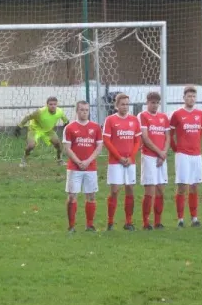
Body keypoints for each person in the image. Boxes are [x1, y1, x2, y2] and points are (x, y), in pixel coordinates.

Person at [102, 93, 142, 231]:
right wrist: (119, 157)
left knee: (130, 189)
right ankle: (110, 222)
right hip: (115, 161)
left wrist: (131, 156)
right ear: (116, 105)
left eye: (127, 104)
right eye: (122, 104)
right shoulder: (110, 120)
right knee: (114, 190)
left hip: (130, 161)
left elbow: (137, 141)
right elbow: (106, 140)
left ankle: (128, 222)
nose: (125, 107)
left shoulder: (134, 120)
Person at [62, 101, 103, 232]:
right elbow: (67, 148)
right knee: (72, 196)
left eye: (86, 110)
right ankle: (71, 226)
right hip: (74, 168)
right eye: (81, 110)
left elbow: (99, 147)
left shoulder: (96, 127)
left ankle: (90, 225)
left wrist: (88, 161)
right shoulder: (69, 128)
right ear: (77, 111)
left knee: (91, 196)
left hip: (90, 167)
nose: (84, 112)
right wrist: (78, 162)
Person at [170, 85, 202, 228]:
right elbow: (170, 135)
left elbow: (200, 133)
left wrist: (196, 146)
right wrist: (176, 149)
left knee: (194, 186)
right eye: (189, 96)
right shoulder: (177, 114)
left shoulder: (200, 114)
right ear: (183, 98)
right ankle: (180, 219)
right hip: (183, 155)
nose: (191, 99)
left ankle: (194, 218)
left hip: (196, 155)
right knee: (182, 186)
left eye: (193, 96)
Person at [138, 91, 170, 230]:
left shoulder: (164, 117)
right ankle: (146, 222)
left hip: (161, 158)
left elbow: (168, 137)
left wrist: (164, 154)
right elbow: (145, 138)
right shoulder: (142, 116)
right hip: (149, 157)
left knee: (160, 190)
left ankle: (158, 221)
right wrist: (159, 153)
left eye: (157, 103)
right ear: (147, 102)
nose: (155, 105)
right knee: (149, 191)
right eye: (152, 102)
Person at [14, 96, 69, 167]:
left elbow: (66, 121)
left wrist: (68, 128)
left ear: (57, 105)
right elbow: (28, 117)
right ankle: (24, 160)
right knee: (31, 145)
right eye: (50, 104)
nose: (53, 106)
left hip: (48, 131)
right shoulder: (40, 112)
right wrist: (19, 127)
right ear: (47, 105)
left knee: (58, 144)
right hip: (35, 129)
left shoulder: (60, 112)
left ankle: (59, 160)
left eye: (55, 104)